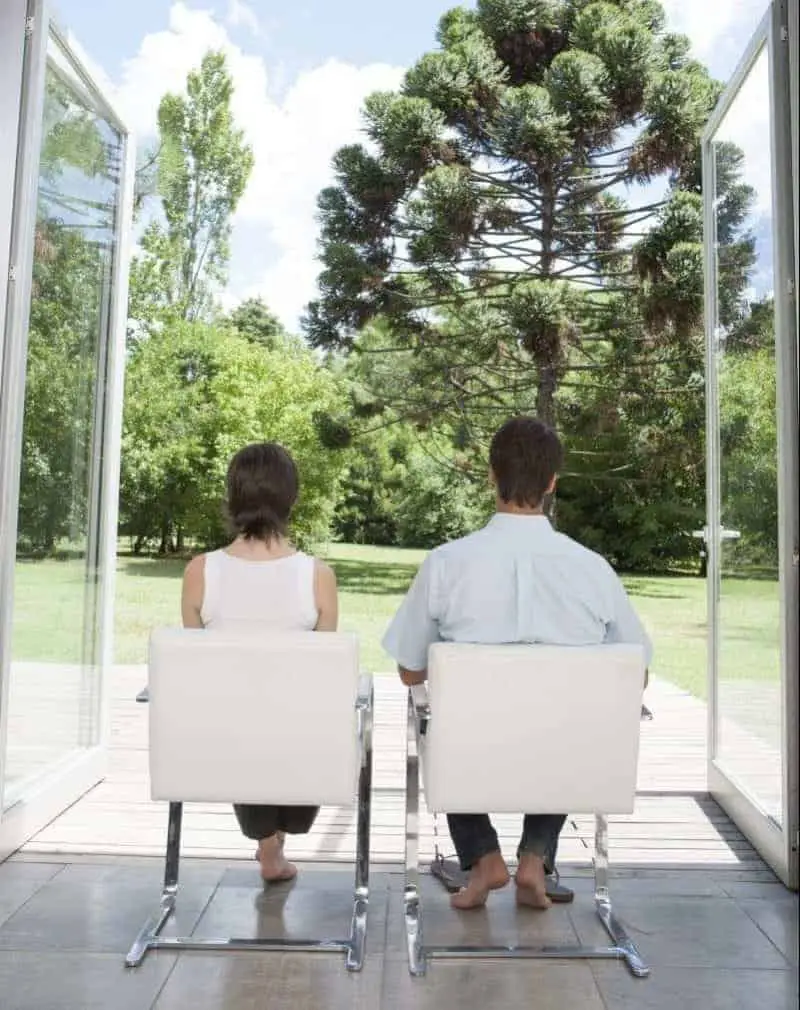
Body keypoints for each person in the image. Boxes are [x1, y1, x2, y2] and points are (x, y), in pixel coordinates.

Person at [382, 417, 652, 911]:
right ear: (552, 482)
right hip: (565, 751)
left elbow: (408, 670)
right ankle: (534, 858)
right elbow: (637, 672)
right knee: (568, 724)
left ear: (491, 475)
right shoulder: (593, 569)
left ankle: (483, 856)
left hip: (471, 751)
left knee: (438, 723)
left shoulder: (446, 563)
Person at [181, 441, 338, 883]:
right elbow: (324, 682)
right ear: (292, 499)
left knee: (242, 715)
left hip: (223, 747)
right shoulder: (317, 576)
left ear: (233, 497)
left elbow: (201, 675)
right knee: (287, 720)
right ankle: (275, 844)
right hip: (301, 753)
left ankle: (267, 844)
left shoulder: (199, 571)